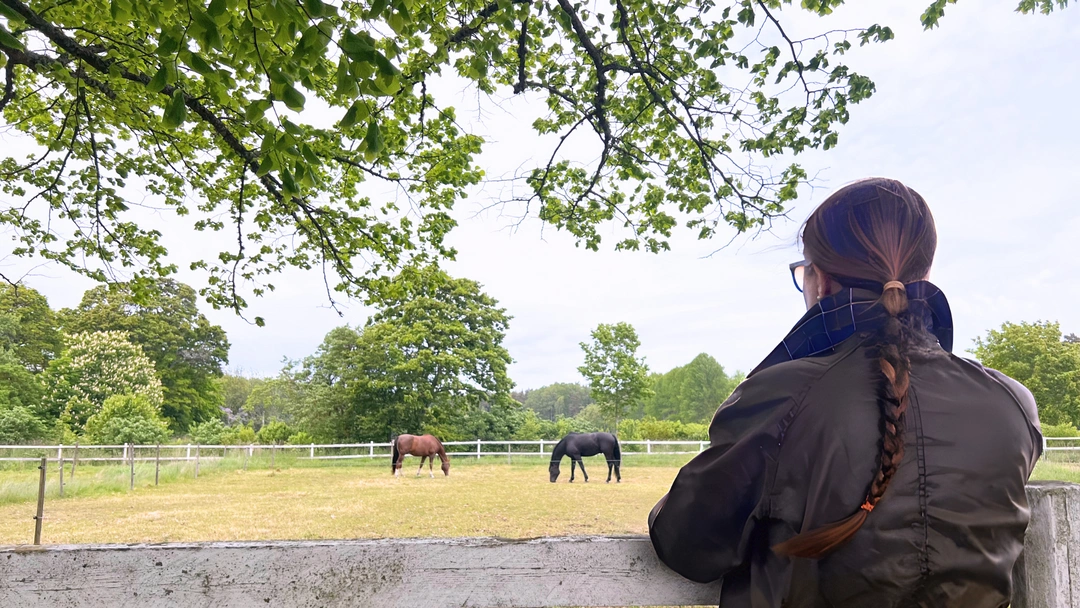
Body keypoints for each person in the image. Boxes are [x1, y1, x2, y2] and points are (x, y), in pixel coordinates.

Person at [648, 178, 1042, 608]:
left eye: (806, 273)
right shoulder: (1012, 405)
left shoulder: (781, 397)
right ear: (925, 274)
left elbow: (686, 545)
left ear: (822, 281)